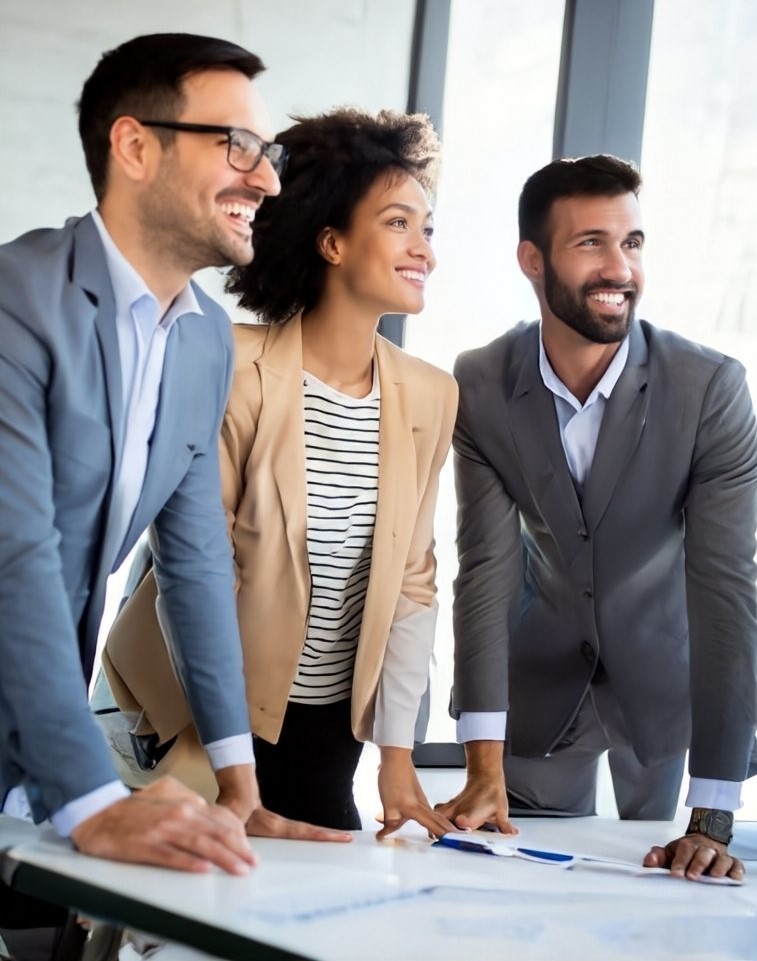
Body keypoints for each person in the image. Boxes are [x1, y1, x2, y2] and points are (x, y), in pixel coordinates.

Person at [0, 30, 346, 909]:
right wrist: (90, 802)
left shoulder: (199, 339)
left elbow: (194, 564)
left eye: (265, 153)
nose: (266, 179)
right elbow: (17, 558)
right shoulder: (16, 301)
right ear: (135, 145)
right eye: (237, 146)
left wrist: (239, 785)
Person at [103, 107, 459, 837]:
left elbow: (413, 580)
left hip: (331, 736)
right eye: (398, 223)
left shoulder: (431, 393)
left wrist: (396, 754)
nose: (423, 248)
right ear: (331, 241)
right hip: (193, 720)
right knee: (161, 934)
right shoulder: (229, 362)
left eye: (428, 228)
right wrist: (227, 760)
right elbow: (191, 566)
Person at [436, 154, 757, 882]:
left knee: (661, 892)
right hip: (541, 678)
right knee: (517, 886)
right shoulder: (482, 381)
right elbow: (485, 571)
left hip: (665, 675)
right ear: (532, 259)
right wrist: (480, 760)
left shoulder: (710, 389)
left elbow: (725, 590)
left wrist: (711, 816)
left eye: (633, 242)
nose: (622, 268)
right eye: (592, 243)